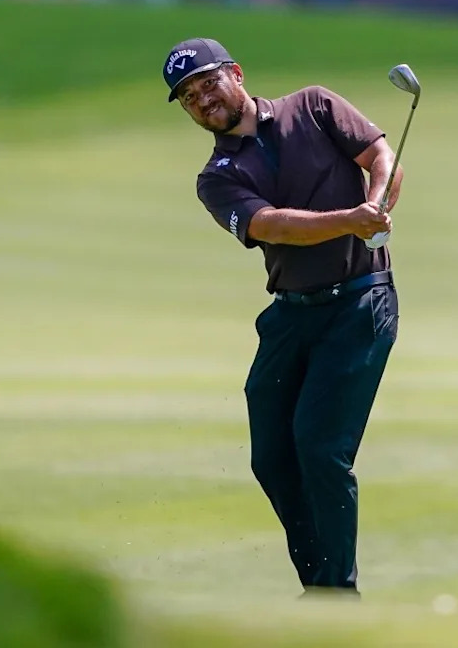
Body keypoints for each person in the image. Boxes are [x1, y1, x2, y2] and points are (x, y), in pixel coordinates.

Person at [162, 37, 402, 596]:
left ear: (237, 74)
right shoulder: (216, 178)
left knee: (320, 448)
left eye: (207, 83)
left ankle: (336, 593)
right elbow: (271, 226)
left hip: (359, 302)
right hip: (290, 316)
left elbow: (381, 158)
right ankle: (319, 583)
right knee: (272, 457)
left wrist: (379, 203)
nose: (202, 100)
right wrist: (351, 219)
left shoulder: (314, 106)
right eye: (189, 97)